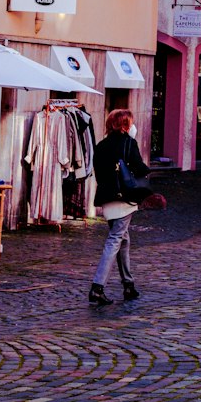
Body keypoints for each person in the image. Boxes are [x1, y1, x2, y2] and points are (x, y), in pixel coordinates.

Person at [88, 107, 149, 305]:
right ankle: (98, 287)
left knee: (123, 239)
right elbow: (140, 168)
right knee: (115, 239)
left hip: (107, 199)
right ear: (125, 125)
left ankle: (128, 285)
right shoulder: (129, 143)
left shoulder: (101, 145)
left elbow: (98, 171)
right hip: (124, 198)